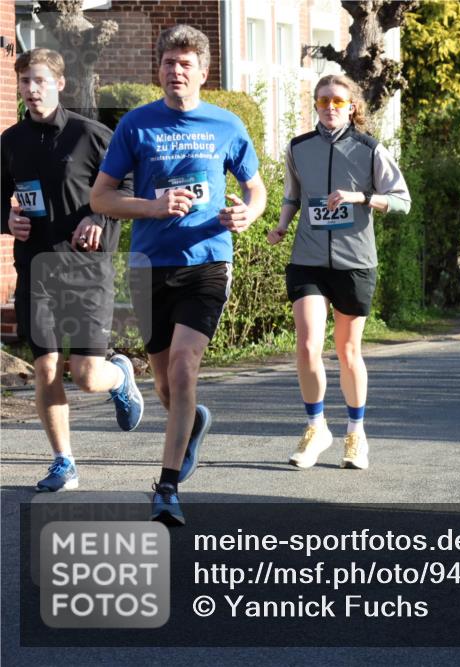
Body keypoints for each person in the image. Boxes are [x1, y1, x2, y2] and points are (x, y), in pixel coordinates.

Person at [90, 25, 267, 525]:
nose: (176, 71)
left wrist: (247, 215)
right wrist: (152, 205)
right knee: (166, 382)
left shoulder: (227, 125)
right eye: (168, 62)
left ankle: (166, 487)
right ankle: (192, 425)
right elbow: (100, 198)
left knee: (186, 367)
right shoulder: (136, 125)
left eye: (185, 63)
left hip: (208, 259)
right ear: (159, 70)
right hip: (149, 264)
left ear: (203, 72)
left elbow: (257, 190)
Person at [1, 48, 143, 493]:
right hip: (35, 268)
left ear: (60, 84)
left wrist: (99, 218)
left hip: (87, 270)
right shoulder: (10, 142)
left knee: (84, 374)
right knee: (44, 367)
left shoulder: (93, 135)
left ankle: (119, 376)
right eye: (25, 82)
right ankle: (64, 462)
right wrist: (6, 220)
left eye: (40, 80)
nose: (31, 89)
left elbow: (133, 186)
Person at [266, 74, 411, 470]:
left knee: (348, 351)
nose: (330, 107)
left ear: (352, 107)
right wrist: (281, 226)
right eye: (323, 100)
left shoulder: (369, 149)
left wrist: (362, 197)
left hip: (355, 262)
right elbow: (293, 195)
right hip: (308, 258)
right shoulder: (299, 148)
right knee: (309, 344)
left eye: (337, 101)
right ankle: (316, 427)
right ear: (315, 104)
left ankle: (355, 433)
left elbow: (403, 201)